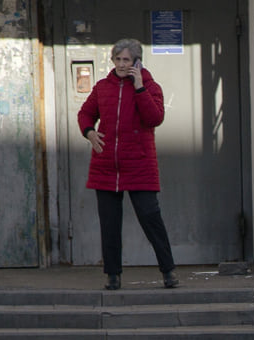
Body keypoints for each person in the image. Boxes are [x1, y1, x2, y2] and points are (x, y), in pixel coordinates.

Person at [77, 38, 179, 291]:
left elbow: (154, 118)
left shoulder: (150, 86)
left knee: (150, 217)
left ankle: (168, 271)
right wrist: (89, 131)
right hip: (106, 165)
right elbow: (85, 113)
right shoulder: (102, 87)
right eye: (118, 60)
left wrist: (140, 87)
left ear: (137, 62)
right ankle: (113, 275)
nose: (122, 65)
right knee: (109, 223)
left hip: (139, 164)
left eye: (127, 60)